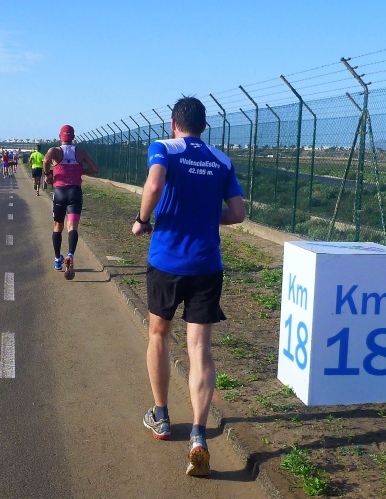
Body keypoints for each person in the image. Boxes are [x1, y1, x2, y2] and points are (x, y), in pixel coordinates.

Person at [132, 97, 245, 477]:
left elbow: (154, 183)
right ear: (204, 126)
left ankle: (161, 416)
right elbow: (238, 214)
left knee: (158, 335)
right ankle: (198, 434)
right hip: (207, 264)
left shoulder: (163, 148)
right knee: (200, 347)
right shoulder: (221, 159)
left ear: (173, 123)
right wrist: (205, 216)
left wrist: (142, 219)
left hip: (167, 261)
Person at [42, 125, 99, 280]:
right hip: (75, 192)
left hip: (60, 193)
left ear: (60, 136)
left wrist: (48, 175)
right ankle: (70, 255)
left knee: (57, 227)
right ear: (73, 137)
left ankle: (57, 260)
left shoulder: (55, 151)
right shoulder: (80, 152)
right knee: (72, 227)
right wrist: (80, 170)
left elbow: (46, 160)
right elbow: (95, 169)